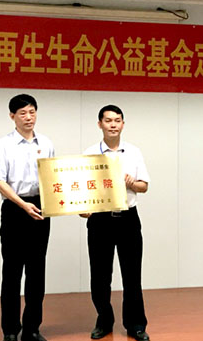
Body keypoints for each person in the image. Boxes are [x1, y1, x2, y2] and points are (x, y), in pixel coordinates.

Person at [81, 105, 151, 341]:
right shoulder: (90, 153)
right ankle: (104, 321)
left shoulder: (133, 152)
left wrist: (132, 183)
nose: (113, 124)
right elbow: (82, 189)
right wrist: (83, 209)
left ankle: (136, 325)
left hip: (128, 218)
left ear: (123, 124)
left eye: (117, 120)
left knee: (132, 275)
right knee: (100, 276)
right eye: (108, 120)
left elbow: (144, 186)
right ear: (99, 124)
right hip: (100, 220)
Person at [0, 94, 54, 341]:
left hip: (41, 209)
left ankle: (32, 328)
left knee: (37, 271)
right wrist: (23, 205)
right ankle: (10, 330)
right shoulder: (3, 145)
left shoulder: (46, 143)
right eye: (23, 113)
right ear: (12, 116)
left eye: (32, 112)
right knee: (12, 272)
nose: (29, 117)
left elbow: (54, 178)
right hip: (15, 209)